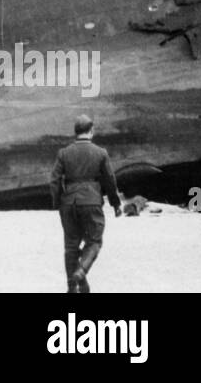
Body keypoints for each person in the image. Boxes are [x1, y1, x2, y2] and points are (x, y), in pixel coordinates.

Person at [50, 115, 121, 294]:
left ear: (75, 132)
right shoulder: (101, 152)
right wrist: (115, 203)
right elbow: (110, 180)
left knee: (71, 246)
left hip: (69, 203)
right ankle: (82, 271)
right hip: (91, 201)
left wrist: (57, 202)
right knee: (95, 240)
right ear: (91, 131)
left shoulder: (63, 153)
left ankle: (73, 287)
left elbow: (54, 180)